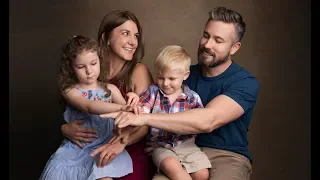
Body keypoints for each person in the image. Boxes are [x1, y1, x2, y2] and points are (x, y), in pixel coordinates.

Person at [102, 7, 260, 180]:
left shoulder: (244, 82)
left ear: (234, 48)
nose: (207, 44)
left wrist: (145, 119)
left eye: (218, 40)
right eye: (206, 36)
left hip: (226, 156)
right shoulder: (178, 76)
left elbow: (208, 120)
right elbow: (150, 101)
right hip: (175, 150)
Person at [60, 10, 156, 180]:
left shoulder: (138, 71)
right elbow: (77, 108)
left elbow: (145, 123)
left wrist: (120, 144)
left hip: (126, 147)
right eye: (125, 33)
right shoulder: (90, 69)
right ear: (106, 38)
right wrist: (65, 129)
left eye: (136, 36)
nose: (133, 42)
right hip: (87, 149)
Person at [40, 35, 141, 180]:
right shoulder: (70, 90)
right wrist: (122, 107)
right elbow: (89, 106)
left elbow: (129, 118)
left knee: (104, 176)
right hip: (77, 149)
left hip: (104, 146)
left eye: (93, 63)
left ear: (100, 60)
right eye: (81, 67)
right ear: (71, 68)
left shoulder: (111, 90)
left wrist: (132, 104)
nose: (89, 71)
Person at [138, 45, 212, 180]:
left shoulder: (192, 98)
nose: (165, 83)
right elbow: (141, 111)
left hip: (186, 144)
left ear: (185, 75)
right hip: (160, 146)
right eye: (160, 77)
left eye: (172, 79)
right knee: (172, 166)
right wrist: (135, 104)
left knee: (202, 174)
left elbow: (199, 123)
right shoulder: (153, 92)